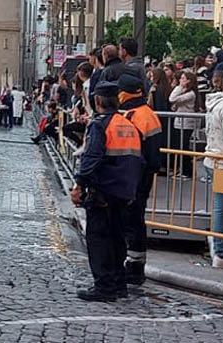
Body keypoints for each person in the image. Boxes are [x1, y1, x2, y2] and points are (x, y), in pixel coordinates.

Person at [70, 81, 142, 301]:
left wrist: (79, 184)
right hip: (125, 191)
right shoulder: (128, 124)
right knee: (118, 238)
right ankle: (119, 284)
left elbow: (91, 157)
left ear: (97, 101)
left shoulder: (100, 125)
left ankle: (104, 287)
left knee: (99, 238)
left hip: (103, 190)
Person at [116, 74, 162, 286]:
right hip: (143, 177)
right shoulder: (147, 114)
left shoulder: (134, 116)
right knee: (135, 221)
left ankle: (133, 269)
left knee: (131, 222)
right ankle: (135, 266)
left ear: (125, 93)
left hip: (133, 178)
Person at [202, 64, 223, 269]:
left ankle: (219, 249)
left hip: (213, 157)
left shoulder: (214, 102)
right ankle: (220, 251)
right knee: (220, 206)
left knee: (219, 206)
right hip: (222, 161)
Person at [169, 70, 199, 177]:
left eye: (183, 79)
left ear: (189, 81)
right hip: (179, 121)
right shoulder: (184, 92)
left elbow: (172, 98)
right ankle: (182, 169)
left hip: (186, 122)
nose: (180, 81)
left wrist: (179, 87)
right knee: (179, 146)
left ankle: (187, 171)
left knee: (184, 146)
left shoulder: (190, 94)